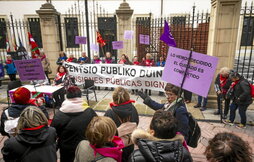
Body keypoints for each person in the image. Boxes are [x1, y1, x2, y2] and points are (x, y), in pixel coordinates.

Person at [51, 86, 97, 162]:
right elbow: (98, 129)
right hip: (85, 149)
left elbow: (53, 134)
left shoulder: (59, 115)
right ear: (80, 96)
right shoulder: (89, 112)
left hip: (66, 151)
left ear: (67, 96)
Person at [104, 87, 139, 162]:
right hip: (129, 143)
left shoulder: (110, 113)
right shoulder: (133, 108)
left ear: (114, 99)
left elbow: (105, 131)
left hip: (116, 146)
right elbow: (137, 122)